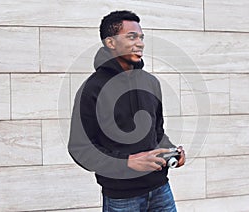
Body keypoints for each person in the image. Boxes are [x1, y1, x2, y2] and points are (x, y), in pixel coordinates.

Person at [68, 10, 185, 211]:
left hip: (160, 189)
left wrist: (171, 151)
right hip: (122, 197)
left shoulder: (151, 82)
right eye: (131, 36)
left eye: (141, 37)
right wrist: (127, 163)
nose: (140, 43)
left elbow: (156, 133)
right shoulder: (92, 89)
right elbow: (81, 148)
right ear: (110, 42)